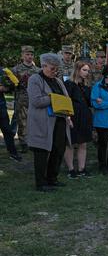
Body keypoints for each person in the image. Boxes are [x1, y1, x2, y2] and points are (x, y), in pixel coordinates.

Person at [26, 53, 72, 192]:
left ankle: (52, 179)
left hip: (59, 120)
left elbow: (66, 98)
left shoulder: (57, 81)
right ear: (44, 65)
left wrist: (68, 115)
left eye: (56, 69)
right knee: (41, 152)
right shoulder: (35, 79)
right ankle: (41, 183)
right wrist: (53, 98)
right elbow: (36, 101)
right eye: (52, 68)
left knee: (58, 150)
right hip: (42, 122)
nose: (55, 71)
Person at [64, 61, 93, 178]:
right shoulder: (69, 84)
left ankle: (82, 169)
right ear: (77, 70)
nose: (86, 73)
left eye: (88, 70)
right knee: (70, 143)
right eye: (84, 70)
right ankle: (71, 169)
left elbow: (88, 101)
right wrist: (68, 117)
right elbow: (66, 101)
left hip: (85, 116)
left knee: (83, 143)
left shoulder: (85, 85)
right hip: (73, 116)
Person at [12, 46, 41, 153]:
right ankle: (23, 142)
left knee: (35, 120)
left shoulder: (38, 70)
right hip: (22, 97)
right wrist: (18, 83)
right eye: (27, 54)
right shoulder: (16, 69)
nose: (29, 56)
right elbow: (11, 85)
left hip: (34, 98)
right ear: (22, 55)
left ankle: (34, 141)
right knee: (22, 120)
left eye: (31, 54)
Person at [0, 67, 21, 162]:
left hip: (1, 106)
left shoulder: (3, 70)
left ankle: (13, 152)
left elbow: (12, 86)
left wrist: (6, 87)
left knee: (7, 130)